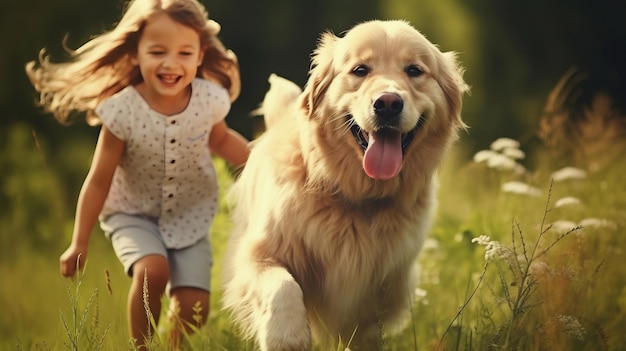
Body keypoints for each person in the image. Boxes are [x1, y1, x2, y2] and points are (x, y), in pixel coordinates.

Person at [25, 0, 249, 348]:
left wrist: (263, 164)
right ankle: (141, 347)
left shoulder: (208, 100)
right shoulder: (122, 112)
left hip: (191, 215)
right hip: (132, 215)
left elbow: (221, 139)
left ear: (200, 55)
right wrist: (79, 241)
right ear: (136, 53)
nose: (171, 63)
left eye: (184, 53)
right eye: (157, 51)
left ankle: (172, 345)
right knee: (152, 271)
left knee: (196, 307)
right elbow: (99, 179)